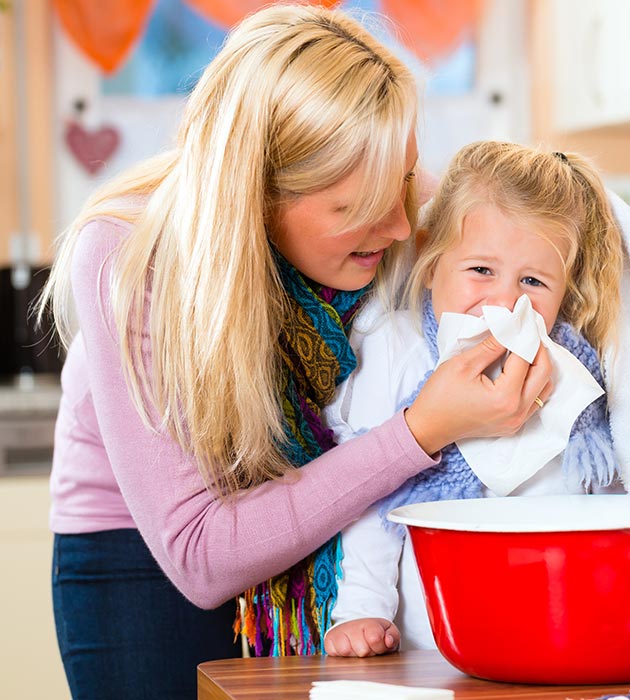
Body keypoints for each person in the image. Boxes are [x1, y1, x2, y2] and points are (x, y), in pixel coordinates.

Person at [38, 7, 552, 699]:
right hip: (146, 556)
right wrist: (421, 429)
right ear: (258, 192)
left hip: (316, 525)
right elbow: (199, 556)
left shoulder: (372, 187)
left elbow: (549, 217)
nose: (403, 225)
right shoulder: (130, 255)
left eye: (402, 182)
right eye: (360, 207)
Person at [319, 142, 625, 657]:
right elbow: (372, 496)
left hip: (550, 621)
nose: (505, 301)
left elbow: (598, 492)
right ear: (431, 262)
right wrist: (362, 609)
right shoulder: (397, 345)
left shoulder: (569, 367)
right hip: (431, 639)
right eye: (481, 271)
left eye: (533, 281)